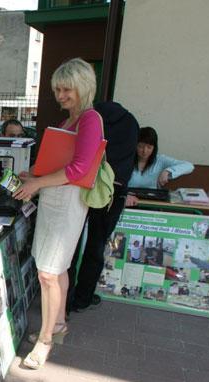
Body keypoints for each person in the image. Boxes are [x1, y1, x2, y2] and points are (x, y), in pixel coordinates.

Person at [12, 58, 104, 369]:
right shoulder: (72, 120)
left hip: (66, 203)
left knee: (48, 274)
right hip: (54, 199)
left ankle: (46, 340)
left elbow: (78, 168)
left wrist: (37, 181)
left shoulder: (90, 119)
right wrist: (34, 175)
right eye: (57, 90)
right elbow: (59, 162)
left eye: (66, 89)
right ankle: (59, 323)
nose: (60, 95)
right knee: (57, 269)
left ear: (82, 87)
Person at [66, 101, 139, 313]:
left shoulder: (90, 119)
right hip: (112, 193)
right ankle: (83, 297)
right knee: (96, 246)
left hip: (82, 187)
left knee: (71, 244)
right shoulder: (131, 123)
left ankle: (65, 300)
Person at [126, 126, 194, 206]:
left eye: (149, 147)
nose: (145, 151)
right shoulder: (126, 159)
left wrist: (168, 171)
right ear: (135, 145)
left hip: (152, 204)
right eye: (141, 146)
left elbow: (189, 166)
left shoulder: (160, 160)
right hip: (128, 203)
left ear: (154, 148)